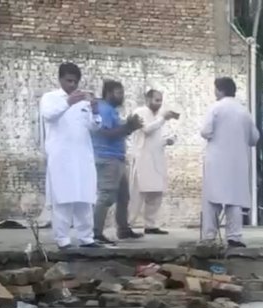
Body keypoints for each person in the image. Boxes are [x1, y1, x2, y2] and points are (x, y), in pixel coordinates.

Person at [39, 62, 103, 249]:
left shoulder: (84, 102)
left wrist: (96, 111)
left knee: (85, 197)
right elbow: (49, 116)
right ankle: (63, 239)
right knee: (63, 198)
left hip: (83, 155)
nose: (72, 85)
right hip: (61, 157)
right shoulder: (50, 98)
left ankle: (86, 237)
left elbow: (95, 127)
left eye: (75, 82)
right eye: (69, 81)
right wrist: (68, 102)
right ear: (60, 79)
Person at [200, 77, 258, 248]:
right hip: (237, 163)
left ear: (219, 90)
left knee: (212, 199)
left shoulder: (216, 108)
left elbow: (205, 131)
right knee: (234, 200)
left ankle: (209, 236)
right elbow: (254, 138)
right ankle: (234, 236)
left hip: (217, 160)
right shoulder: (244, 111)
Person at [92, 80, 143, 243]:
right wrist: (128, 127)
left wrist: (129, 127)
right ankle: (96, 232)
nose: (122, 96)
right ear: (108, 93)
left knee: (123, 196)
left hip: (117, 158)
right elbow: (107, 133)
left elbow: (118, 131)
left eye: (122, 92)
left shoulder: (112, 110)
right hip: (107, 158)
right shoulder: (104, 109)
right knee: (106, 195)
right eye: (118, 92)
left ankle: (123, 229)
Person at [128, 89, 179, 235]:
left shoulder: (160, 116)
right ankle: (128, 224)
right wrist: (163, 118)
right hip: (143, 158)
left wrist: (169, 140)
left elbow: (159, 137)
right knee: (138, 194)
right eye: (156, 100)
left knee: (156, 193)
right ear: (148, 99)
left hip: (157, 159)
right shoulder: (140, 112)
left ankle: (150, 225)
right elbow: (147, 130)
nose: (159, 103)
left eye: (160, 100)